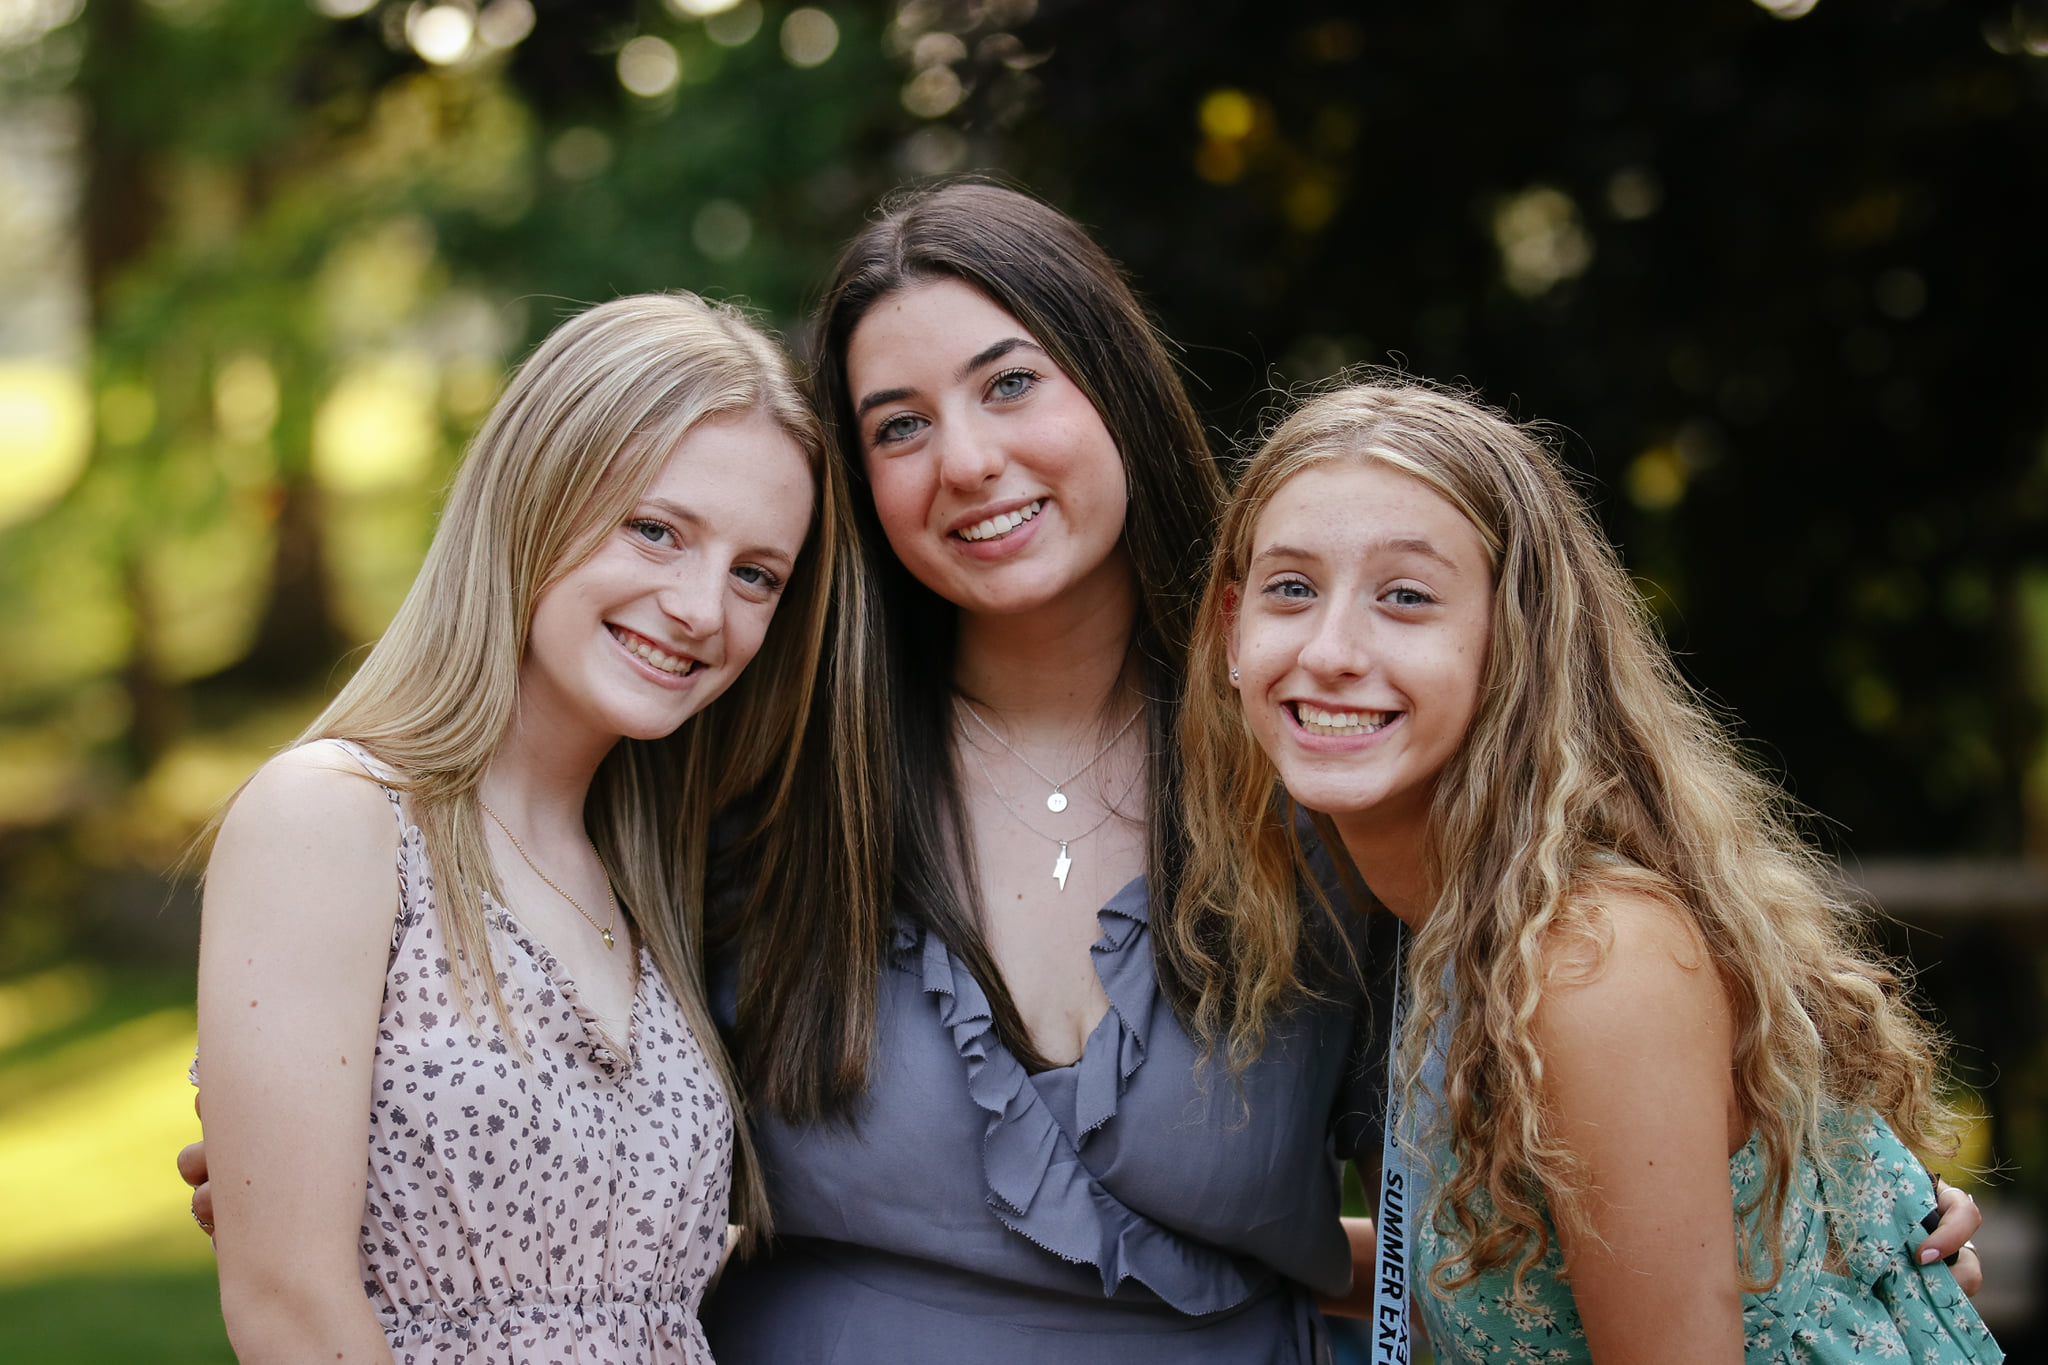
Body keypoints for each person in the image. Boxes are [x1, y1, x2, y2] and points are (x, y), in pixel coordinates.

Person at [184, 183, 1983, 1360]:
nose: (963, 460)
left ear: (1109, 386)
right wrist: (345, 1149)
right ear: (858, 497)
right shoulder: (746, 762)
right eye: (895, 427)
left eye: (1008, 382)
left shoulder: (1313, 755)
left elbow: (1534, 1095)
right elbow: (504, 1062)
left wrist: (1813, 1237)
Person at [1177, 379, 2001, 1363]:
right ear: (1231, 631)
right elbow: (1507, 1270)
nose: (1329, 649)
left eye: (1404, 597)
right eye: (1291, 589)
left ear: (1513, 644)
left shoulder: (1591, 961)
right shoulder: (1439, 917)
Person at [191, 292, 839, 1364]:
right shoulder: (336, 818)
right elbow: (290, 1309)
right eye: (655, 530)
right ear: (532, 497)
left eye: (754, 575)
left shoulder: (647, 879)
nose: (701, 608)